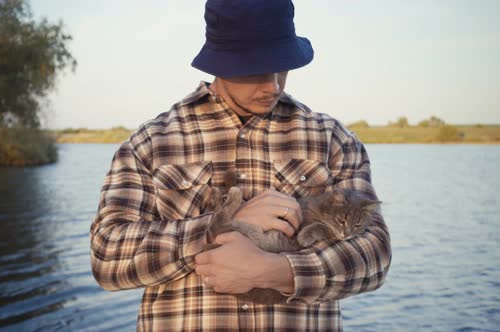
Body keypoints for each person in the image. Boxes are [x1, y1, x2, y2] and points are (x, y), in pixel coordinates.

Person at [90, 1, 391, 330]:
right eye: (257, 69)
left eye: (283, 66)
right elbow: (108, 258)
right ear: (220, 62)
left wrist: (276, 270)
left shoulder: (332, 138)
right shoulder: (150, 142)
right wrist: (220, 224)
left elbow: (374, 255)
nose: (273, 85)